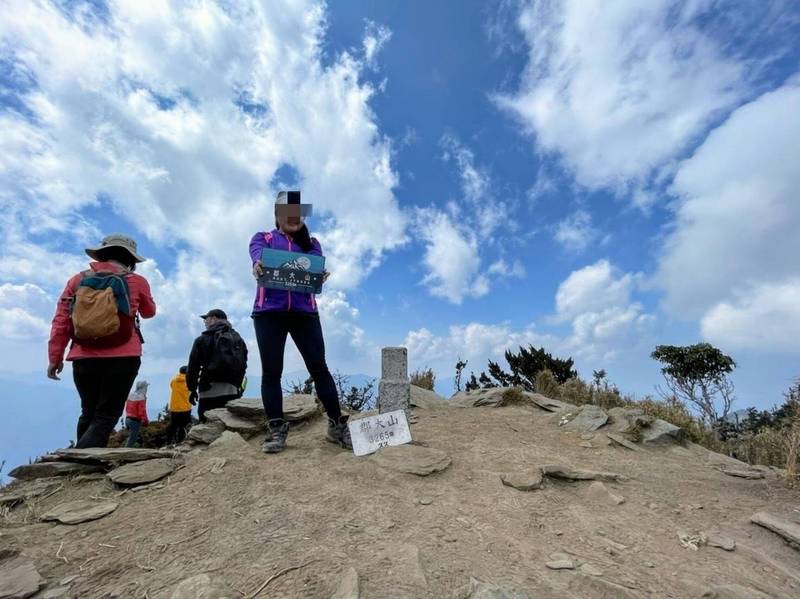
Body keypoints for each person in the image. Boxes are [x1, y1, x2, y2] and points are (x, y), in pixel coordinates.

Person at [249, 190, 351, 453]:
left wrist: (320, 275)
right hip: (269, 312)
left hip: (305, 313)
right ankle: (275, 429)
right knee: (271, 372)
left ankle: (336, 424)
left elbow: (314, 269)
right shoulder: (264, 238)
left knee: (319, 368)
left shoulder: (312, 244)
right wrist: (258, 264)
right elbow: (257, 254)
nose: (294, 217)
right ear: (277, 215)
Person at [47, 233, 157, 448]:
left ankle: (79, 462)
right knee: (107, 414)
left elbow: (61, 320)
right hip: (124, 356)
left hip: (83, 356)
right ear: (131, 259)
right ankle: (82, 460)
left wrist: (55, 357)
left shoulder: (77, 280)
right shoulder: (137, 281)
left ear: (101, 254)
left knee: (88, 411)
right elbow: (149, 312)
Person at [186, 309, 248, 422]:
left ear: (214, 318)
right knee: (229, 426)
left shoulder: (201, 340)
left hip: (208, 391)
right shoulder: (237, 338)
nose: (205, 322)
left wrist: (192, 389)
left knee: (206, 426)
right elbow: (243, 363)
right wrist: (238, 385)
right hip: (232, 390)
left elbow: (193, 368)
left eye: (206, 319)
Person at [166, 366, 192, 445]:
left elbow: (171, 386)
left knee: (173, 425)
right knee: (183, 426)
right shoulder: (189, 381)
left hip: (174, 407)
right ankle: (180, 442)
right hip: (186, 407)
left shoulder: (174, 380)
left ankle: (169, 442)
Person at [124, 380, 149, 447]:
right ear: (143, 387)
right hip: (135, 421)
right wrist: (145, 421)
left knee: (130, 437)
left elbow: (127, 408)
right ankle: (125, 454)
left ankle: (125, 450)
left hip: (128, 419)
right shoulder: (141, 396)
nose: (146, 388)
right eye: (146, 386)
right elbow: (142, 411)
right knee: (132, 439)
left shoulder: (131, 394)